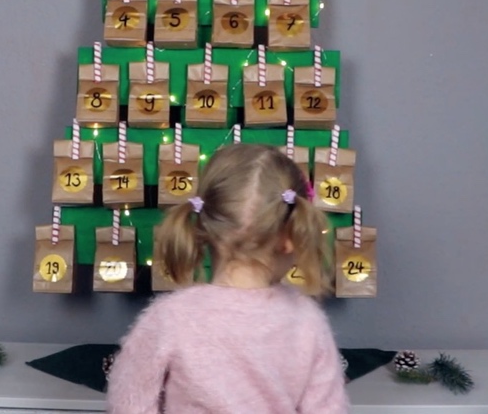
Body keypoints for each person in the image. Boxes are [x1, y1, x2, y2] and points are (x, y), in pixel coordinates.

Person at [106, 144, 348, 413]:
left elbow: (128, 405)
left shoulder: (170, 319)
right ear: (291, 236)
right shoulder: (307, 321)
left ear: (204, 224)